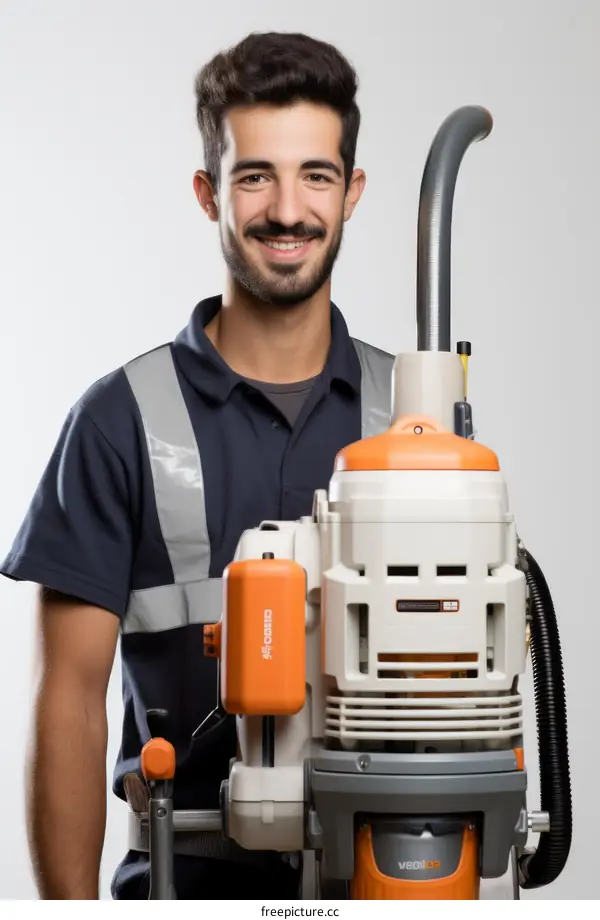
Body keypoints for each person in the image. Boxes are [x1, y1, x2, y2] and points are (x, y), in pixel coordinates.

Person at [1, 31, 394, 899]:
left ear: (352, 192)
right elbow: (68, 699)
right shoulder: (119, 421)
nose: (287, 209)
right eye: (255, 176)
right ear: (208, 192)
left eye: (316, 176)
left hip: (388, 884)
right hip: (183, 885)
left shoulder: (412, 420)